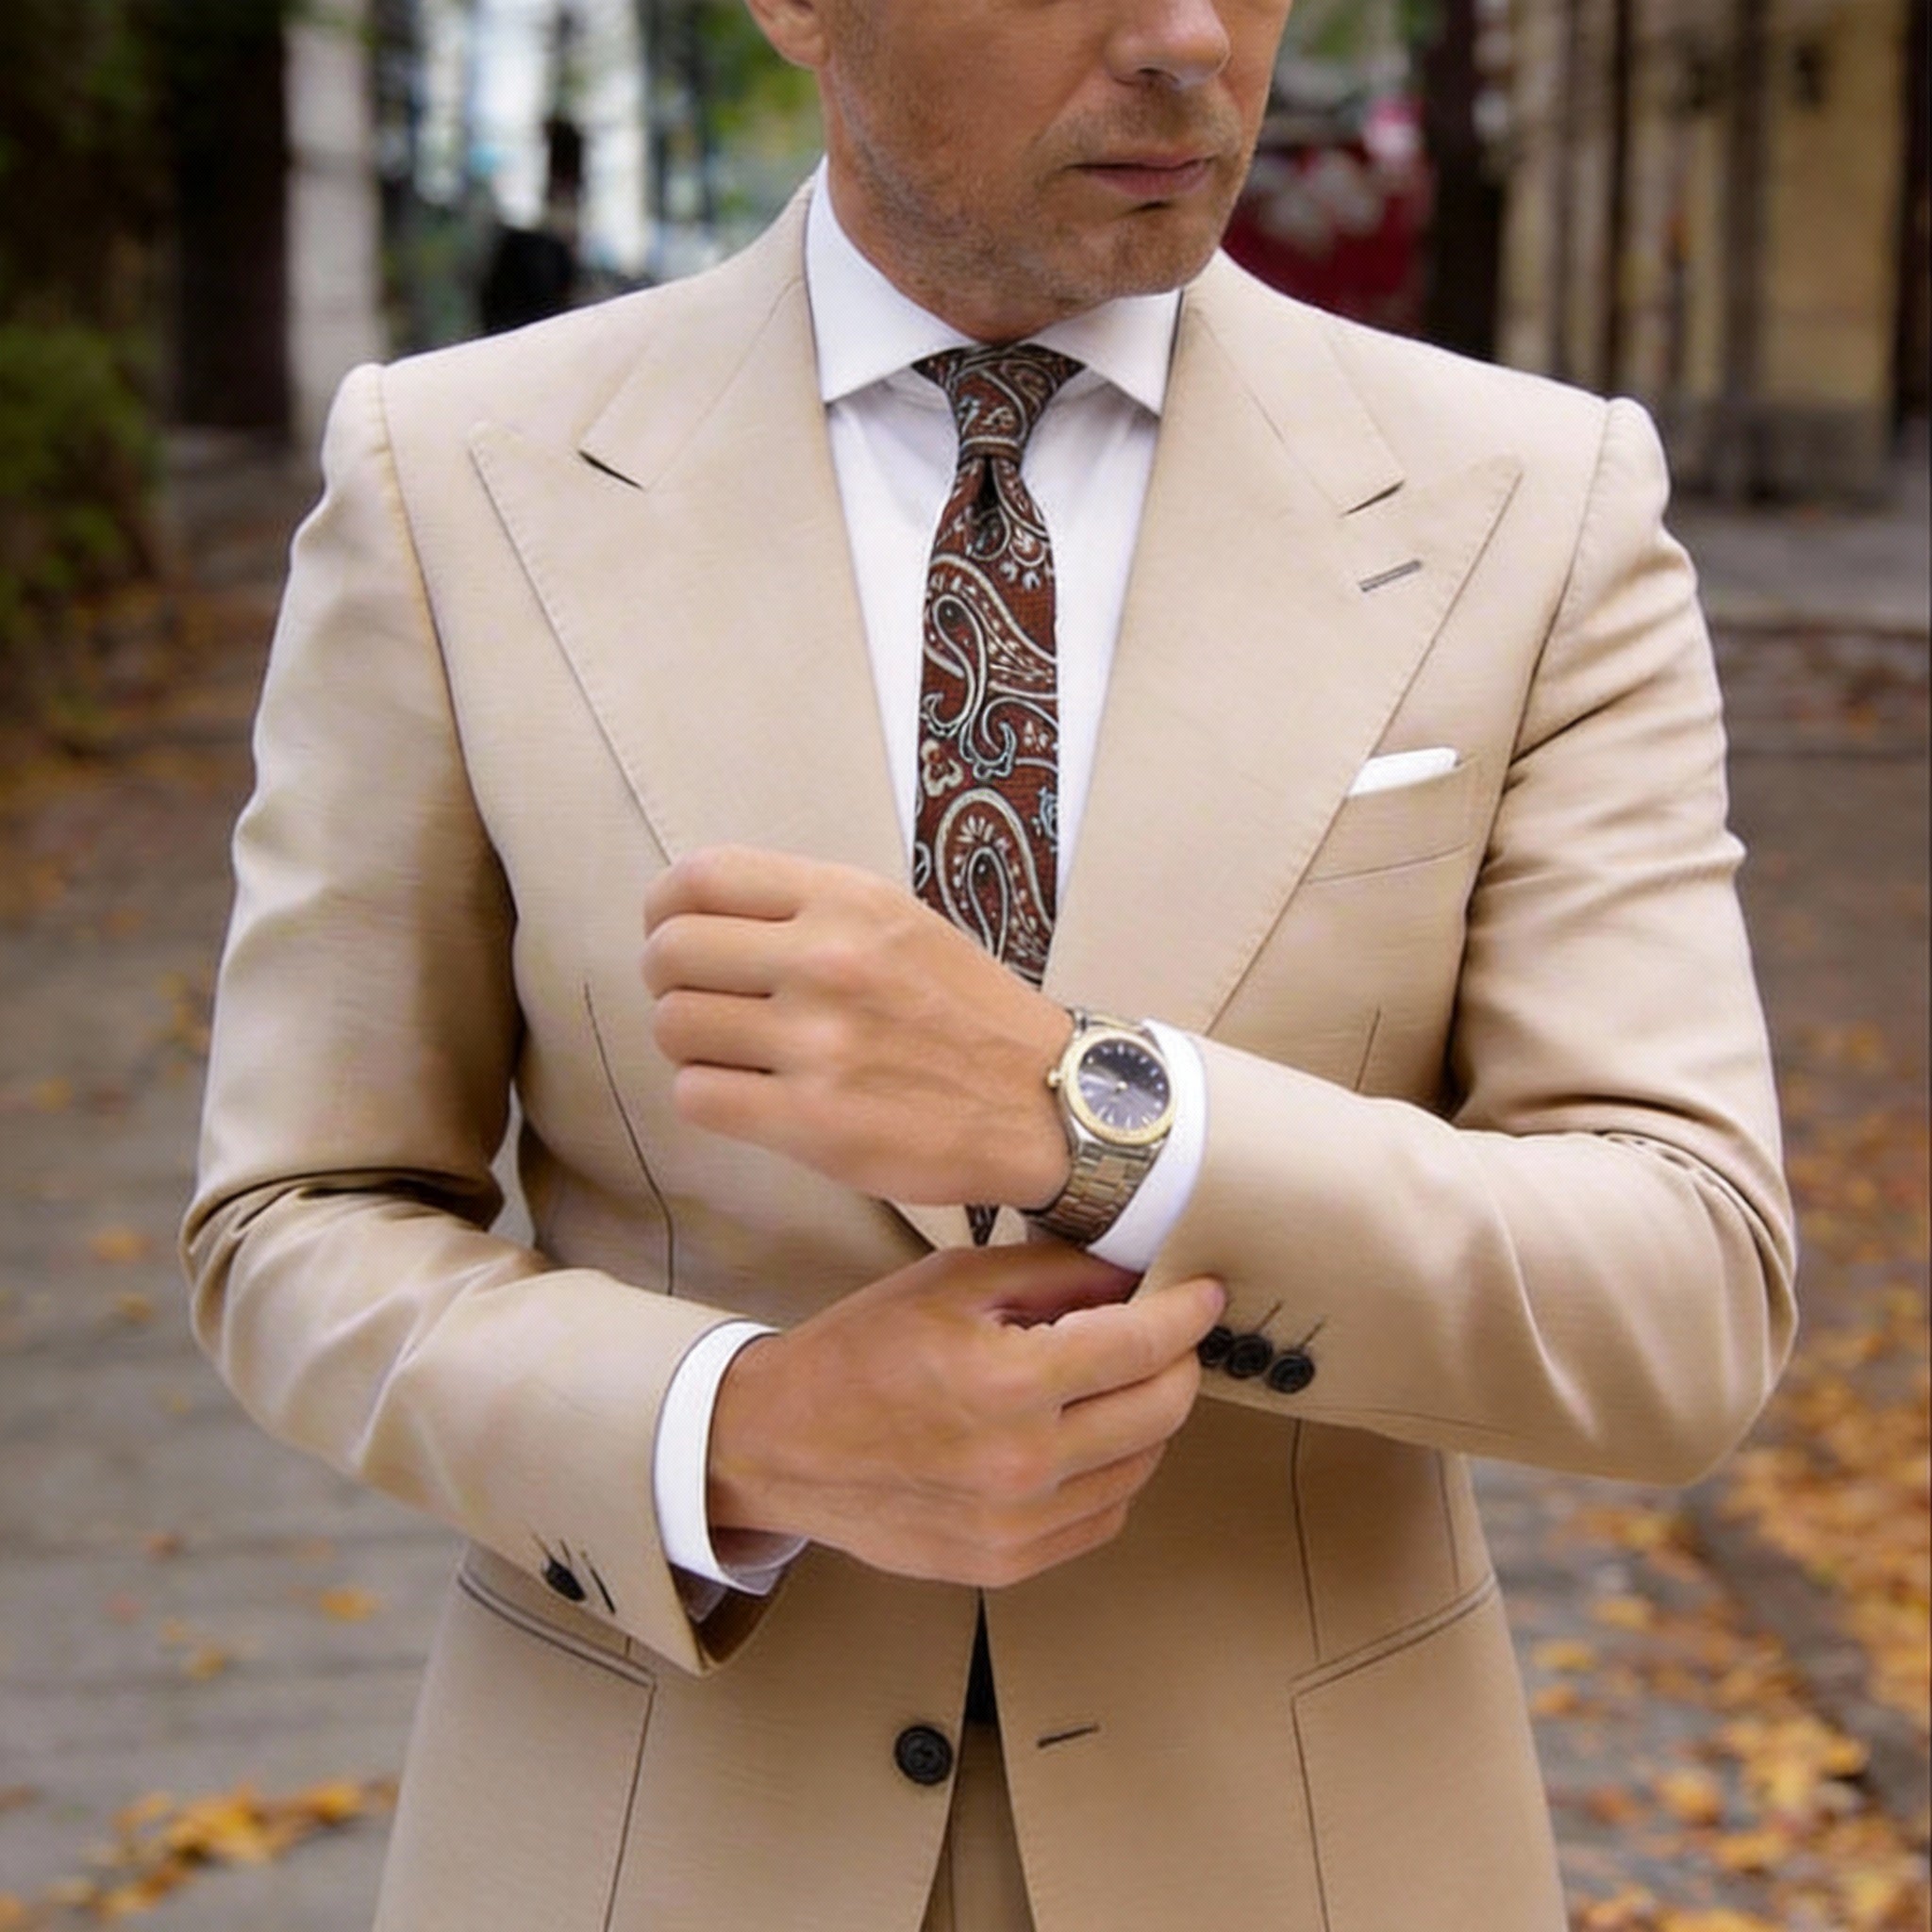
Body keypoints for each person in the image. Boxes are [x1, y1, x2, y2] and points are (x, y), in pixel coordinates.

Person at [182, 0, 1796, 1927]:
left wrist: (1089, 1116)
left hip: (1314, 1857)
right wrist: (734, 1432)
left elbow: (1684, 1294)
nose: (1191, 36)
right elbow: (297, 1213)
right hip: (646, 1843)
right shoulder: (456, 480)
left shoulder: (1534, 509)